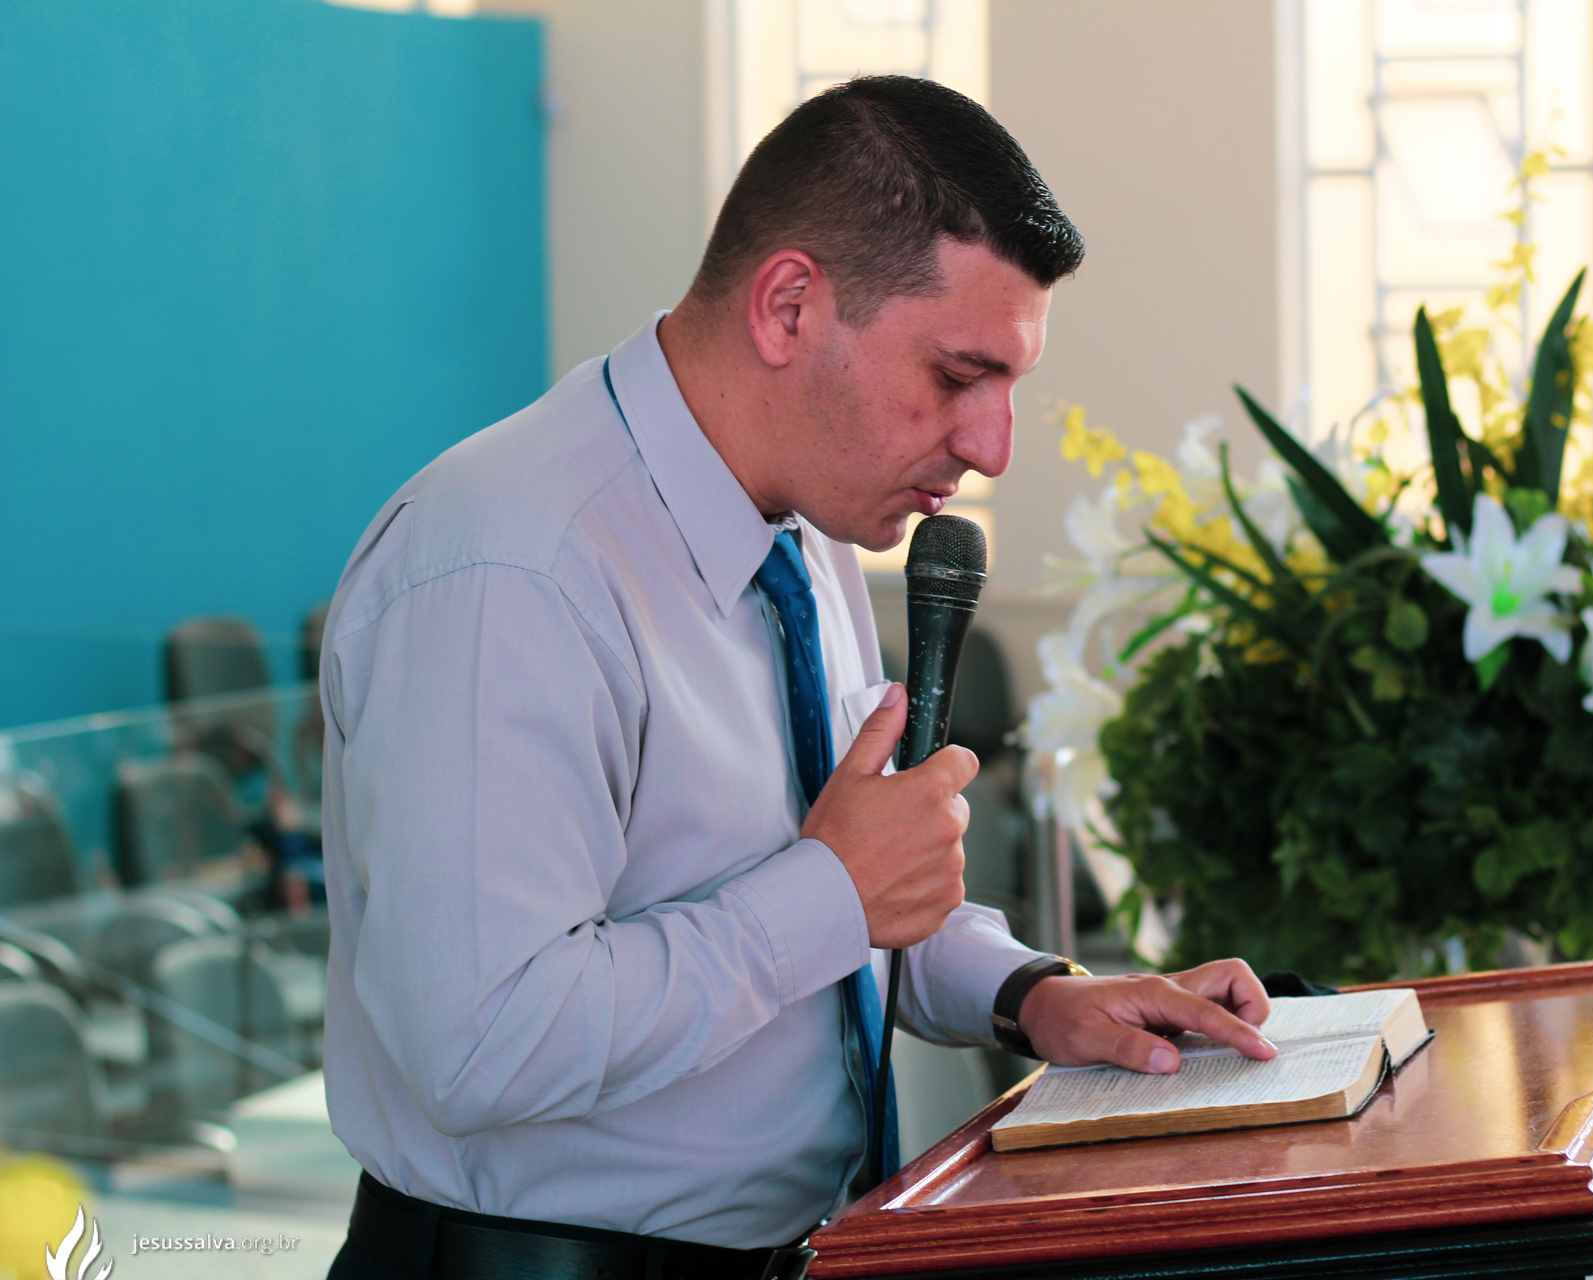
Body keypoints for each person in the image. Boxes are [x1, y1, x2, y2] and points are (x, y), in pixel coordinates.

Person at [318, 76, 1276, 1280]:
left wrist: (1035, 995)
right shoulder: (513, 565)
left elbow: (842, 898)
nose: (991, 447)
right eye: (958, 376)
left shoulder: (805, 523)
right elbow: (481, 1042)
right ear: (788, 307)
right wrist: (831, 888)